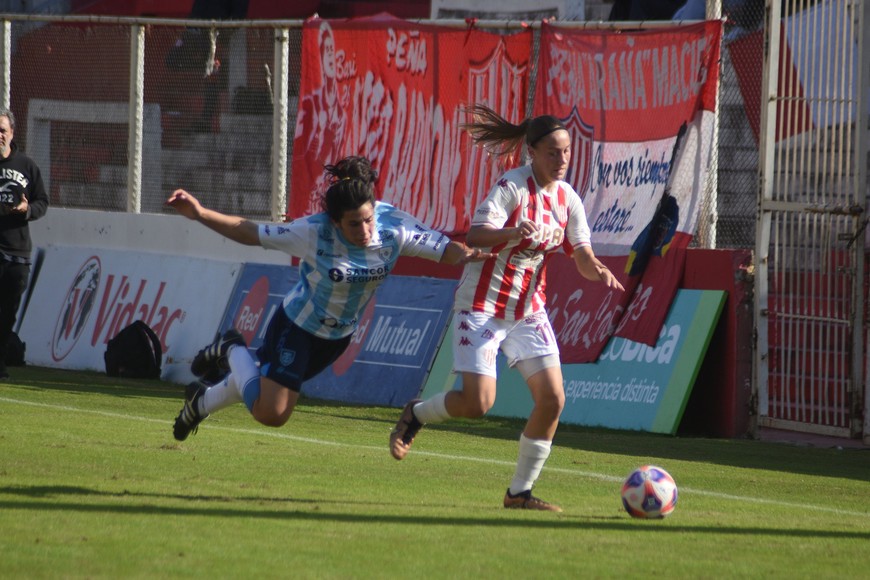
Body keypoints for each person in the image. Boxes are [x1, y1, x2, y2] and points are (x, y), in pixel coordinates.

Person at [389, 105, 625, 512]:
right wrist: (513, 232)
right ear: (531, 152)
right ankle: (418, 412)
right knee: (477, 403)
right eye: (553, 152)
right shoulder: (512, 187)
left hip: (528, 310)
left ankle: (519, 493)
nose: (562, 160)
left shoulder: (568, 199)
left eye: (567, 152)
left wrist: (597, 269)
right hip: (481, 306)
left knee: (553, 399)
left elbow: (581, 254)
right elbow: (477, 234)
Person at [168, 156, 494, 440]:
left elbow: (443, 249)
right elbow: (249, 232)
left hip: (337, 337)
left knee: (264, 390)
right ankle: (232, 347)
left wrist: (464, 254)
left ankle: (200, 403)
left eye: (368, 220)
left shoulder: (393, 226)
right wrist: (199, 213)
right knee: (273, 413)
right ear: (335, 222)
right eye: (353, 225)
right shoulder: (313, 231)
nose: (365, 231)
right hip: (296, 327)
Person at [0, 108, 48, 380]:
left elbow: (42, 201)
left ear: (12, 133)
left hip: (18, 253)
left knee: (8, 314)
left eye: (2, 130)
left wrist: (26, 210)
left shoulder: (26, 166)